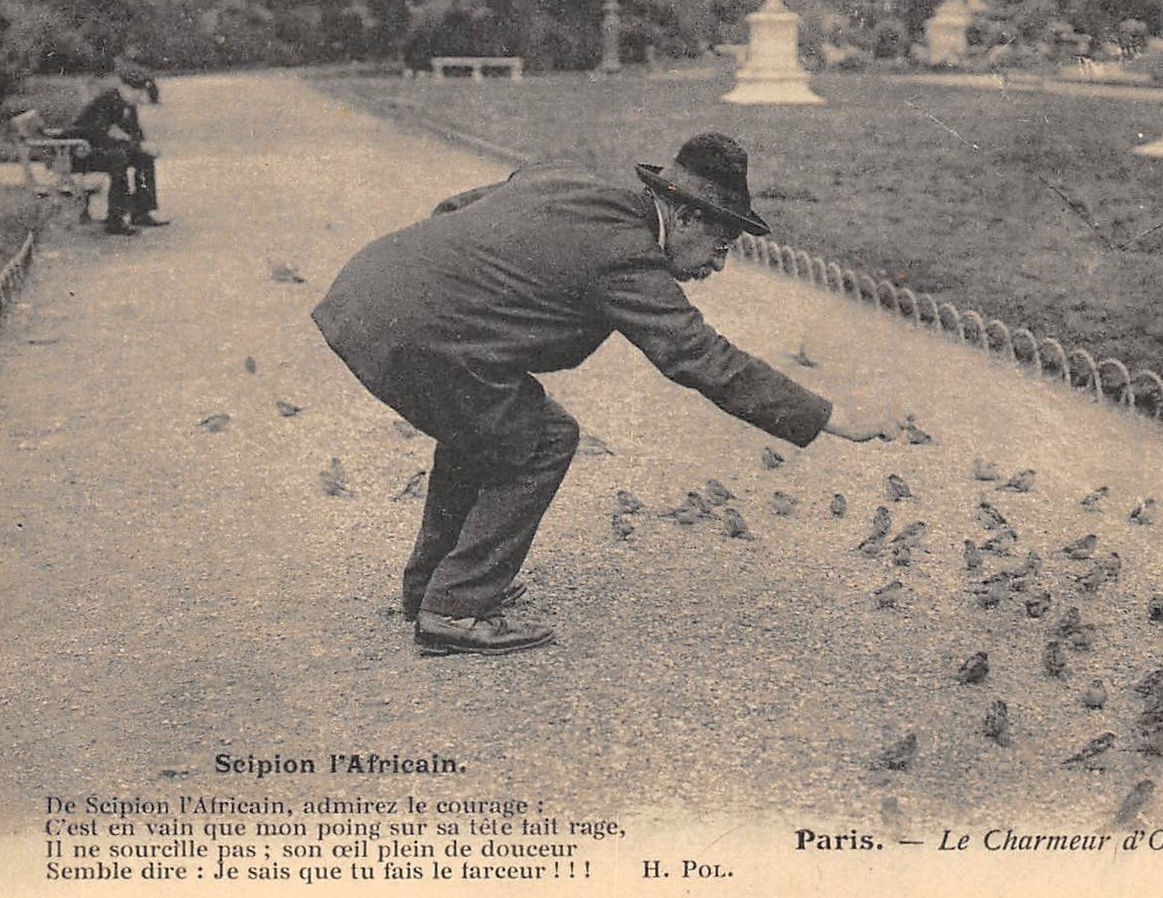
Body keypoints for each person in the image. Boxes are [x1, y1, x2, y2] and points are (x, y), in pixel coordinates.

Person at [313, 133, 899, 656]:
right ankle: (457, 608)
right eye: (721, 246)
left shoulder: (564, 181)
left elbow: (457, 209)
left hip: (367, 292)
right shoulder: (627, 255)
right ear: (688, 218)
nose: (718, 266)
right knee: (543, 438)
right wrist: (830, 417)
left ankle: (432, 589)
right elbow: (700, 359)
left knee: (489, 426)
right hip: (418, 336)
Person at [71, 66, 169, 235]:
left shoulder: (127, 105)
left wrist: (144, 146)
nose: (139, 98)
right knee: (119, 158)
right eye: (137, 93)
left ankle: (142, 212)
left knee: (144, 157)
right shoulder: (104, 102)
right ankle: (115, 219)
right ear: (125, 88)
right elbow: (99, 136)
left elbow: (134, 134)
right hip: (80, 152)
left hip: (99, 151)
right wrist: (136, 146)